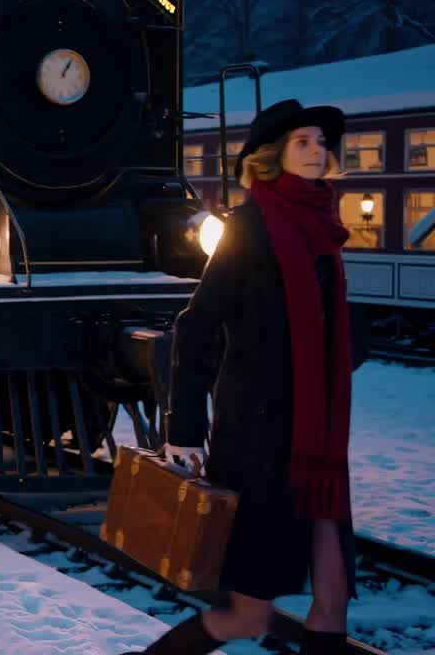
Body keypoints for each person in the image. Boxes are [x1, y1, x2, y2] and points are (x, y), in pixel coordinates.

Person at [122, 100, 370, 655]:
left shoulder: (322, 225)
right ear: (272, 155)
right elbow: (196, 326)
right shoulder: (251, 225)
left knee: (333, 596)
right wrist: (184, 425)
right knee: (247, 615)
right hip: (260, 440)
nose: (316, 151)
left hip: (318, 442)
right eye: (302, 142)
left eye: (320, 143)